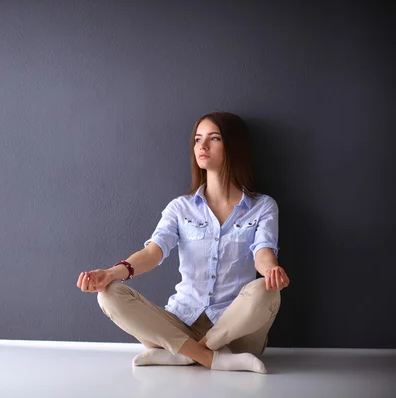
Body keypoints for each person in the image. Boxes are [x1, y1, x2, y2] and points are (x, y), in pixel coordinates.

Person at [76, 111, 290, 373]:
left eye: (214, 138)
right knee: (108, 294)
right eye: (198, 139)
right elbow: (153, 253)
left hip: (237, 331)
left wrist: (272, 271)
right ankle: (209, 358)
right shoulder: (180, 208)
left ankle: (184, 353)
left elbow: (263, 252)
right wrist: (110, 273)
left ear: (234, 145)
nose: (202, 146)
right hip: (180, 323)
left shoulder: (263, 206)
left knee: (267, 291)